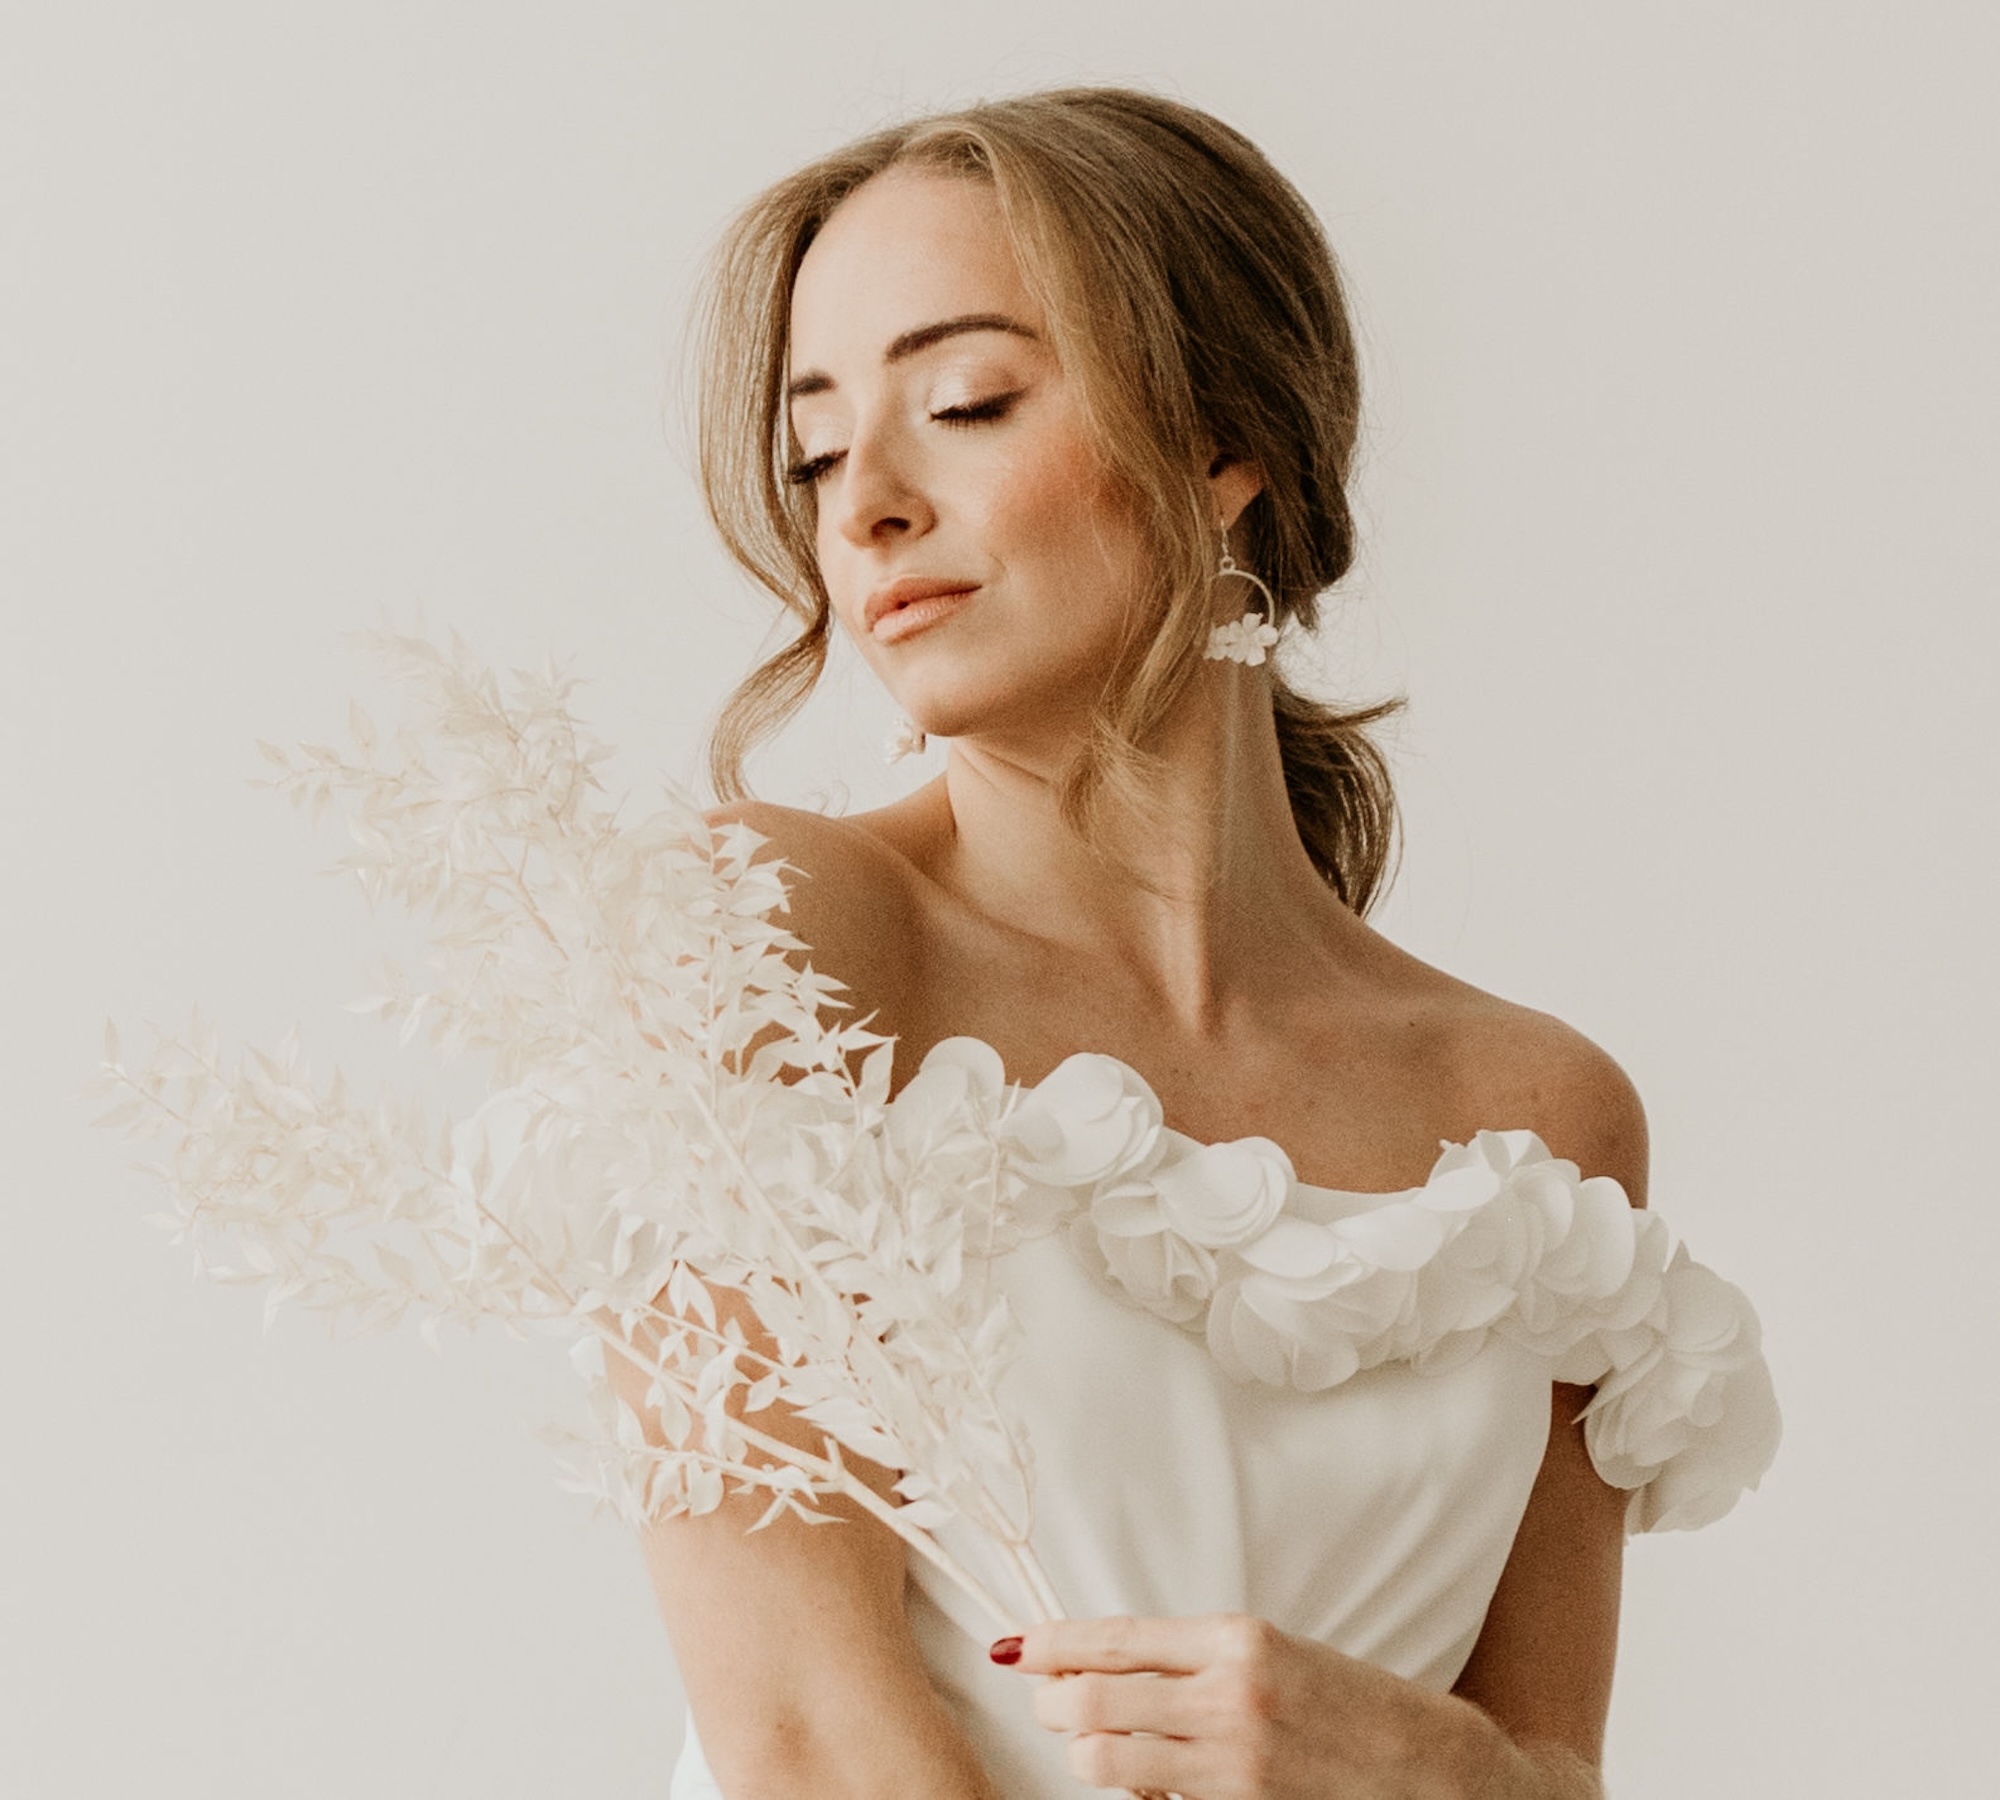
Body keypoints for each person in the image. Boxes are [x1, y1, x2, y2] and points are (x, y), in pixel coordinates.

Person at [613, 87, 1777, 1799]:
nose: (863, 509)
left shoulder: (1537, 1112)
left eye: (965, 403)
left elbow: (1545, 1771)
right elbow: (800, 1732)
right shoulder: (776, 929)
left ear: (1228, 439)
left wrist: (1423, 1765)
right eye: (815, 453)